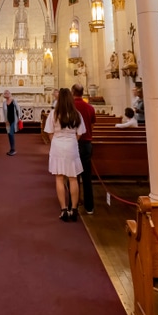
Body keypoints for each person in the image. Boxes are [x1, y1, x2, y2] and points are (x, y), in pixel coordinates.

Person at [44, 87, 85, 222]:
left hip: (57, 146)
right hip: (72, 146)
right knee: (73, 178)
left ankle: (63, 210)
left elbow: (49, 132)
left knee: (59, 178)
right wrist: (71, 141)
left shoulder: (54, 114)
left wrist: (56, 141)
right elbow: (80, 133)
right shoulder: (76, 114)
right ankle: (73, 209)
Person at [71, 83, 96, 215]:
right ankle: (89, 206)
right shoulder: (90, 107)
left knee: (72, 176)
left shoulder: (70, 108)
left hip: (73, 143)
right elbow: (92, 124)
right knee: (87, 177)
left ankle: (72, 204)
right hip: (86, 143)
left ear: (72, 92)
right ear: (82, 92)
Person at [2, 90, 20, 156]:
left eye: (7, 93)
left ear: (10, 94)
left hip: (13, 120)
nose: (6, 94)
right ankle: (11, 149)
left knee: (11, 134)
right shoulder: (4, 103)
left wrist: (19, 118)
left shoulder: (14, 101)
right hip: (7, 120)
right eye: (5, 93)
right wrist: (5, 120)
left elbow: (18, 109)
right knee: (9, 134)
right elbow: (4, 112)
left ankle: (13, 149)